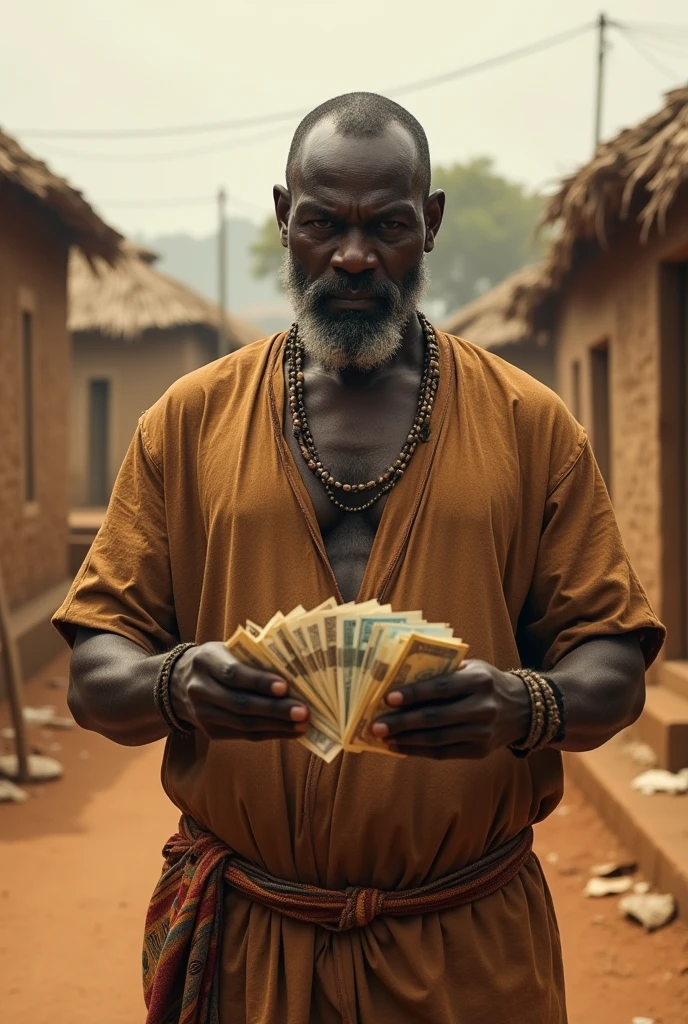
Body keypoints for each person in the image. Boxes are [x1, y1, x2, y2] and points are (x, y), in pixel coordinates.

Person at [54, 92, 665, 1024]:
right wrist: (178, 684)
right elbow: (96, 671)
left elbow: (614, 666)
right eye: (321, 224)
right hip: (252, 945)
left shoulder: (529, 424)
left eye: (385, 225)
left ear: (430, 222)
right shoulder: (188, 420)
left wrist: (522, 704)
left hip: (469, 950)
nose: (351, 256)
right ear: (282, 218)